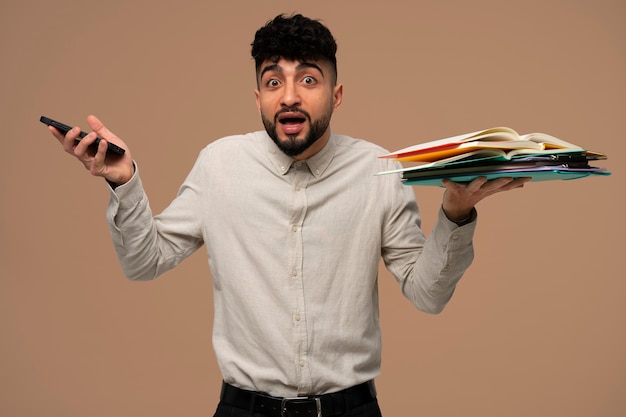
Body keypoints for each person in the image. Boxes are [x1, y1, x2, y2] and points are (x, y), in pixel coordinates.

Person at [49, 13, 529, 417]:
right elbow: (143, 261)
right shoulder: (219, 165)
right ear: (257, 97)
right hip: (244, 409)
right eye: (273, 80)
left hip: (351, 409)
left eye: (308, 79)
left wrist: (456, 212)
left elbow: (427, 295)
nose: (290, 96)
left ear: (336, 95)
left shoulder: (381, 171)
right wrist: (123, 180)